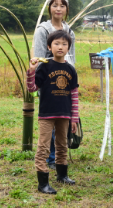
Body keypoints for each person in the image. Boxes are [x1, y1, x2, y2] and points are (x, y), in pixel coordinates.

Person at [27, 30, 79, 194]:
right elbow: (32, 88)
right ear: (49, 46)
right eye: (57, 43)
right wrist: (31, 71)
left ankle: (62, 175)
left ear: (69, 48)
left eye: (64, 44)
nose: (60, 47)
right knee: (43, 147)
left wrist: (74, 118)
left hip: (64, 115)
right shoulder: (44, 66)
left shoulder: (71, 70)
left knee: (62, 145)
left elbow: (74, 95)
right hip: (46, 115)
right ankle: (43, 183)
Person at [34, 0, 76, 170]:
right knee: (49, 120)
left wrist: (71, 75)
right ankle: (50, 159)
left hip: (66, 81)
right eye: (54, 5)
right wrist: (40, 81)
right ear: (49, 8)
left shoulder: (70, 31)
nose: (58, 8)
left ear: (67, 9)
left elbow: (72, 56)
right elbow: (38, 56)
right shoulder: (42, 29)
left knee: (62, 118)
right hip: (48, 81)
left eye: (62, 5)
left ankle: (59, 158)